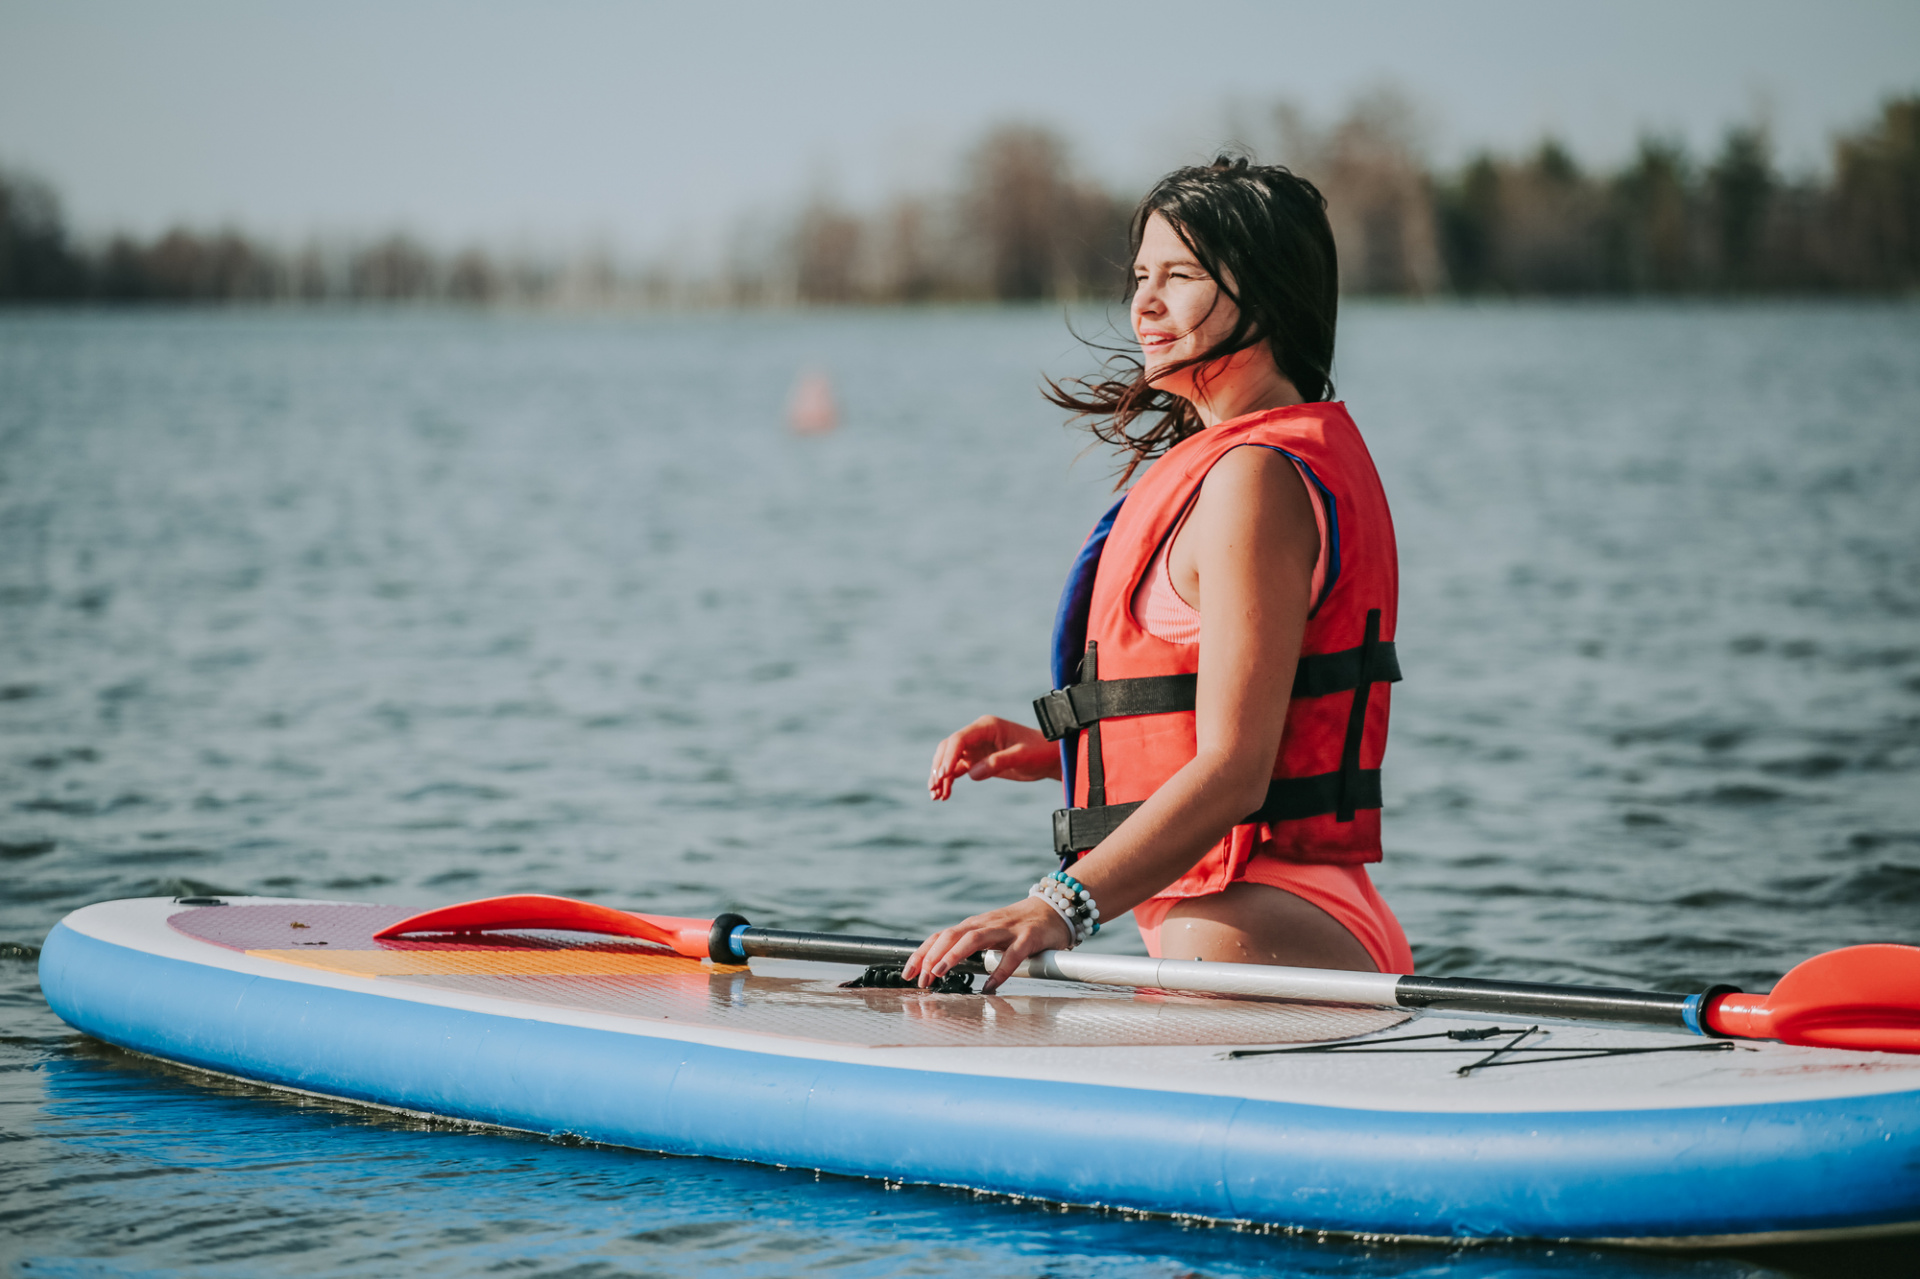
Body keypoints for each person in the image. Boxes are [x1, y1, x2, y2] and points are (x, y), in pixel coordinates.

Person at [905, 157, 1414, 994]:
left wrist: (1059, 904)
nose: (1144, 304)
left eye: (1180, 276)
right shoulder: (1246, 462)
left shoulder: (1256, 477)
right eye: (1142, 276)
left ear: (1266, 289)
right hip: (1279, 934)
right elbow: (1234, 718)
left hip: (1260, 939)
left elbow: (1236, 771)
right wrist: (1066, 752)